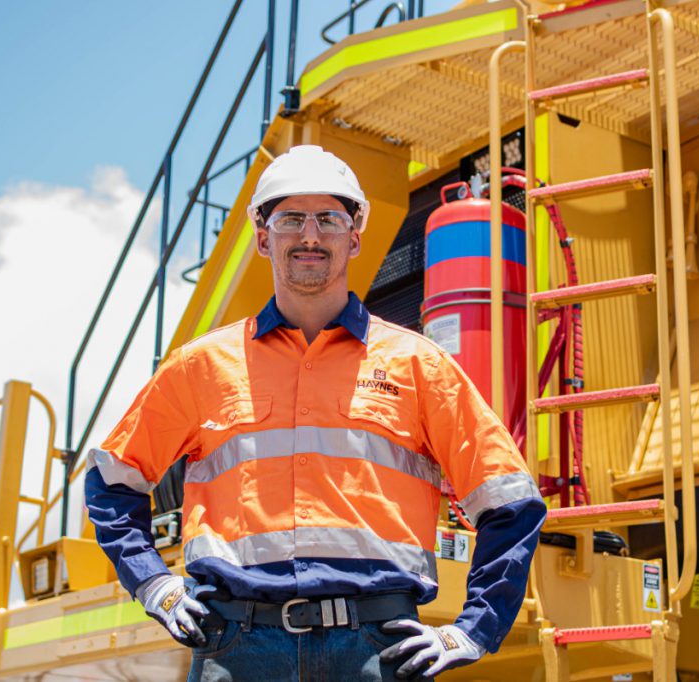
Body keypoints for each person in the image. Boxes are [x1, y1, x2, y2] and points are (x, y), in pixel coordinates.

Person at [85, 145, 547, 681]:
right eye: (291, 219)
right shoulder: (201, 366)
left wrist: (475, 628)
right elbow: (112, 479)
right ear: (263, 237)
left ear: (354, 236)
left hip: (377, 649)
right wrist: (154, 584)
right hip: (236, 647)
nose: (310, 235)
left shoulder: (419, 365)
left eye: (329, 217)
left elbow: (511, 502)